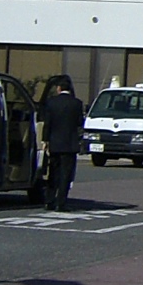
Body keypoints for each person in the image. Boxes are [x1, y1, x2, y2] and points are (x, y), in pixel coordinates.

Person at [41, 75, 86, 212]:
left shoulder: (51, 102)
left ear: (58, 88)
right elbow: (80, 123)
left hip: (55, 142)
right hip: (70, 143)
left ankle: (49, 201)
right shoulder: (77, 103)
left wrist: (45, 140)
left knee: (53, 173)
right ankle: (61, 202)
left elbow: (47, 123)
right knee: (65, 175)